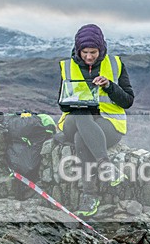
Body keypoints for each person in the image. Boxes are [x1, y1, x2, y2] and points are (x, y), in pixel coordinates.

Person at [57, 24, 134, 217]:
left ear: (101, 49)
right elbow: (62, 105)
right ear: (78, 49)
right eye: (85, 52)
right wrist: (76, 100)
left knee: (81, 139)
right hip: (72, 121)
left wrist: (109, 86)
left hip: (108, 124)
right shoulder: (67, 66)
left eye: (93, 52)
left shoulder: (115, 64)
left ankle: (89, 196)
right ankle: (106, 166)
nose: (89, 57)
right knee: (82, 115)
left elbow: (128, 100)